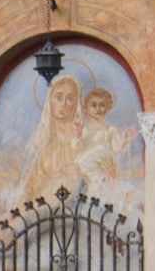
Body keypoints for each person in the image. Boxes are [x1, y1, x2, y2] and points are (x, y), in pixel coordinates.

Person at [16, 74, 84, 206]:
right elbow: (27, 188)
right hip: (41, 210)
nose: (63, 104)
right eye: (58, 97)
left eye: (70, 99)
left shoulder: (81, 138)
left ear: (76, 104)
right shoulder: (39, 141)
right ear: (50, 100)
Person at [76, 86, 137, 205]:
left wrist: (125, 140)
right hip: (89, 169)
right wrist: (78, 134)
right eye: (94, 105)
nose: (98, 109)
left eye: (102, 105)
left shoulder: (111, 131)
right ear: (86, 108)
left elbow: (117, 149)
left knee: (109, 194)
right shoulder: (84, 132)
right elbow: (77, 149)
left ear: (108, 107)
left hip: (105, 169)